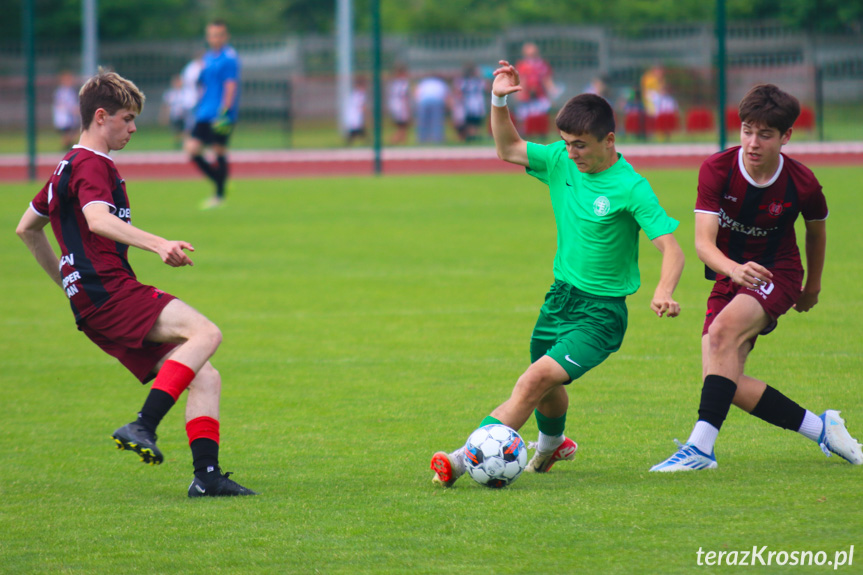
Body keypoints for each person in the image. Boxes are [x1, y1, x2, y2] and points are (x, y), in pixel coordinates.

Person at [430, 60, 686, 487]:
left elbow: (671, 248)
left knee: (534, 379)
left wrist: (663, 289)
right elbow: (508, 148)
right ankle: (553, 446)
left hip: (600, 314)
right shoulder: (561, 162)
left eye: (580, 145)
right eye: (566, 143)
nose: (571, 153)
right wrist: (497, 100)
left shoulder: (631, 186)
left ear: (609, 140)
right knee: (546, 386)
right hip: (560, 299)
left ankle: (460, 459)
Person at [15, 69, 256, 497]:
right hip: (110, 291)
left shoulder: (64, 167)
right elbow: (97, 219)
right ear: (101, 116)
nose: (133, 127)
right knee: (206, 332)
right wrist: (158, 243)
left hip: (92, 303)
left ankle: (207, 478)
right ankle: (143, 424)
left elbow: (26, 228)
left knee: (204, 374)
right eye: (127, 119)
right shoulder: (92, 164)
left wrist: (68, 285)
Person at [650, 84, 862, 472]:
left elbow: (817, 233)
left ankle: (700, 450)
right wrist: (732, 270)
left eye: (765, 134)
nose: (752, 142)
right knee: (722, 381)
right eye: (747, 130)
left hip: (777, 271)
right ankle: (824, 429)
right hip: (731, 275)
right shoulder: (716, 169)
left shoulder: (803, 183)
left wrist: (811, 286)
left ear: (786, 137)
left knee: (721, 336)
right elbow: (703, 243)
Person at [185, 19, 240, 210]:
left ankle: (219, 195)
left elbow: (230, 85)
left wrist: (225, 111)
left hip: (219, 113)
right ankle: (221, 181)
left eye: (218, 35)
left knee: (218, 150)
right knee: (192, 149)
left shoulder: (229, 58)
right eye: (211, 35)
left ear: (226, 36)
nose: (215, 38)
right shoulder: (207, 58)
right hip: (203, 112)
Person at [514, 42, 558, 140]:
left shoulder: (542, 64)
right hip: (527, 95)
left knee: (542, 113)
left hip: (539, 94)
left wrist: (552, 91)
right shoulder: (522, 65)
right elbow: (521, 79)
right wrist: (520, 92)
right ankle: (523, 135)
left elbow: (547, 79)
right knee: (523, 115)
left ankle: (542, 134)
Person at [454, 63, 488, 142]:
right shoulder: (477, 82)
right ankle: (471, 137)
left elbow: (458, 92)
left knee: (471, 123)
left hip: (469, 104)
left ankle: (472, 137)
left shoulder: (463, 82)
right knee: (473, 123)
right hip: (474, 104)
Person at [414, 75, 450, 144]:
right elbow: (446, 96)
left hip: (424, 101)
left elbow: (417, 93)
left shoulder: (424, 82)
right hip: (437, 100)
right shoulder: (441, 83)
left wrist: (417, 104)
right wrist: (447, 107)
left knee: (423, 121)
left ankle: (422, 139)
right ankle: (437, 138)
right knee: (436, 120)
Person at [53, 70, 80, 150]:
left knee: (74, 132)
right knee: (67, 134)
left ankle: (68, 147)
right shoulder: (61, 92)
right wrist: (73, 110)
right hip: (64, 117)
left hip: (70, 117)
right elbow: (63, 104)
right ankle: (66, 148)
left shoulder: (71, 91)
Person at [387, 63, 411, 145]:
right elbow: (404, 96)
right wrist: (407, 108)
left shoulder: (394, 83)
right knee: (403, 125)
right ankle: (394, 140)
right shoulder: (403, 83)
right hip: (400, 106)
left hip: (395, 105)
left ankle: (402, 141)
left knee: (402, 125)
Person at [344, 76, 368, 146]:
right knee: (357, 129)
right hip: (354, 114)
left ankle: (350, 142)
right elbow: (361, 106)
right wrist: (366, 113)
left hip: (354, 114)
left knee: (357, 130)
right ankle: (366, 141)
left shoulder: (355, 94)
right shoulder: (359, 95)